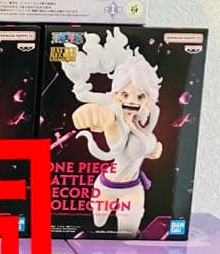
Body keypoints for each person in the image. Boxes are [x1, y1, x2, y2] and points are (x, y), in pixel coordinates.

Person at [60, 28, 162, 237]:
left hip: (133, 188)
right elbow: (114, 143)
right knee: (97, 225)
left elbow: (148, 143)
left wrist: (154, 148)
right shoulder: (114, 114)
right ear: (117, 94)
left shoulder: (148, 119)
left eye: (140, 96)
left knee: (128, 234)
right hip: (105, 186)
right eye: (125, 94)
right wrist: (101, 117)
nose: (132, 101)